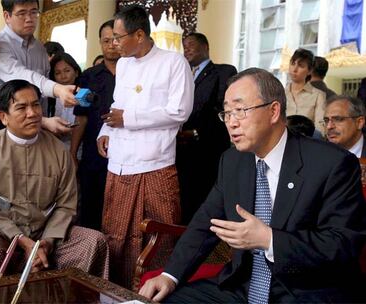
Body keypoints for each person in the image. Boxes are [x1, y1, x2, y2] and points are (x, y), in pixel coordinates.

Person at [140, 68, 366, 303]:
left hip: (305, 291)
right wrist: (169, 276)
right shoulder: (232, 160)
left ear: (273, 111)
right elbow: (204, 225)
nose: (231, 122)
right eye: (226, 113)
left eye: (239, 110)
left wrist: (269, 239)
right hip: (244, 287)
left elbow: (342, 245)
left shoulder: (332, 163)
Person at [0, 79, 109, 281]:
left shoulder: (59, 150)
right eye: (21, 107)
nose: (32, 113)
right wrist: (21, 240)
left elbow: (66, 206)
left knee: (93, 241)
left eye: (35, 105)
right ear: (3, 116)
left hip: (47, 231)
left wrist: (47, 242)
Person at [96, 6, 194, 288]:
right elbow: (118, 104)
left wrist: (129, 118)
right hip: (120, 161)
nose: (114, 43)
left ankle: (155, 291)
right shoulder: (124, 65)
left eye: (118, 37)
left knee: (158, 234)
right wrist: (105, 131)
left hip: (155, 162)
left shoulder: (174, 63)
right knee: (116, 234)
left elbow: (179, 112)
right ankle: (116, 292)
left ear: (139, 35)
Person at [0, 0, 77, 134]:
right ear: (7, 16)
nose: (29, 19)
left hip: (36, 127)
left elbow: (41, 97)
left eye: (34, 12)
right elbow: (22, 77)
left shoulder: (39, 49)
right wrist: (57, 89)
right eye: (21, 13)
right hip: (1, 128)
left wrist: (44, 123)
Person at [178, 32, 237, 224]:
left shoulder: (223, 72)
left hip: (207, 149)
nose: (186, 49)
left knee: (206, 204)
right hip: (181, 150)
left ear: (205, 47)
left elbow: (222, 108)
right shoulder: (182, 74)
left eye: (191, 45)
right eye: (184, 45)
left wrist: (197, 132)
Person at [70, 20, 120, 230]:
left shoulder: (137, 72)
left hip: (128, 151)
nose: (111, 45)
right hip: (94, 154)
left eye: (115, 40)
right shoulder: (88, 77)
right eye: (105, 41)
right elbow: (81, 117)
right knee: (92, 208)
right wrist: (73, 153)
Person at [285, 48, 326, 134]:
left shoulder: (318, 95)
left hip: (307, 142)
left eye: (301, 66)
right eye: (293, 63)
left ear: (310, 71)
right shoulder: (280, 94)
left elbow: (320, 128)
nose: (294, 69)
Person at [48, 52, 81, 151]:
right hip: (54, 149)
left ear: (76, 72)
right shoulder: (50, 98)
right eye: (57, 73)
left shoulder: (83, 95)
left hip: (78, 150)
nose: (63, 76)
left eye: (67, 71)